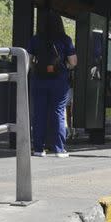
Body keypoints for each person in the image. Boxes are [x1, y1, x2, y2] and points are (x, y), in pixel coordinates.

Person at [30, 10, 77, 158]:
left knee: (39, 113)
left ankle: (38, 149)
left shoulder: (36, 39)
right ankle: (59, 149)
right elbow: (73, 62)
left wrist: (36, 69)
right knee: (57, 112)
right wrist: (64, 67)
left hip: (39, 80)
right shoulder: (65, 39)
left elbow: (28, 60)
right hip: (59, 81)